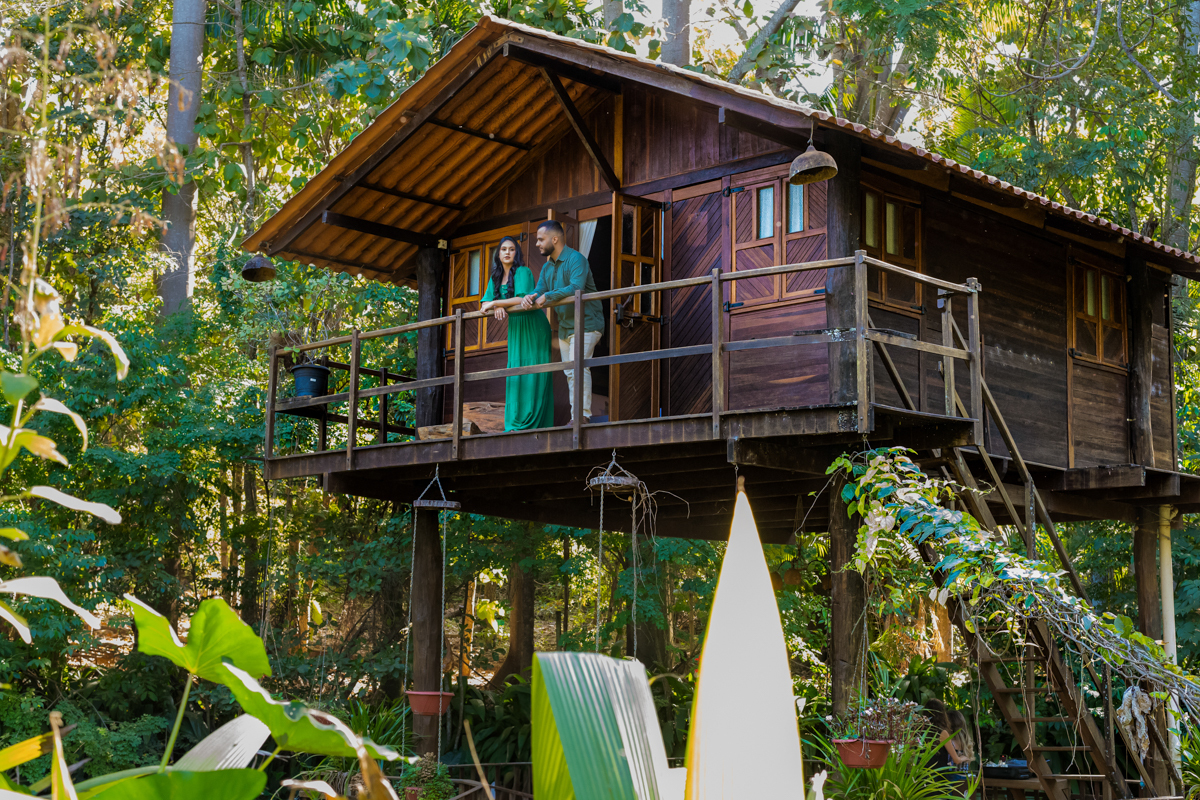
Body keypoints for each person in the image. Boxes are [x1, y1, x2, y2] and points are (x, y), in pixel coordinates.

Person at [520, 219, 605, 423]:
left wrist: (548, 297)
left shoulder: (577, 259)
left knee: (578, 367)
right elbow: (539, 289)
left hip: (587, 323)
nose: (538, 244)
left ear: (555, 239)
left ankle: (581, 417)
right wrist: (529, 296)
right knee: (570, 371)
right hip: (567, 327)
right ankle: (577, 416)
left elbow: (576, 287)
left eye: (541, 239)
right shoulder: (548, 267)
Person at [480, 236, 554, 431]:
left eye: (511, 249)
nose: (507, 252)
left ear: (516, 253)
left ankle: (536, 423)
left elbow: (521, 299)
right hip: (516, 329)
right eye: (503, 249)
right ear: (498, 253)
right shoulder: (495, 277)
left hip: (534, 327)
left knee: (534, 371)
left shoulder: (523, 271)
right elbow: (483, 305)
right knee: (516, 371)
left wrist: (496, 303)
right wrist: (495, 305)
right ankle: (515, 423)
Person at [923, 700, 971, 794]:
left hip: (922, 776)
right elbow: (956, 759)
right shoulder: (942, 733)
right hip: (939, 777)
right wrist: (965, 757)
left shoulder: (918, 730)